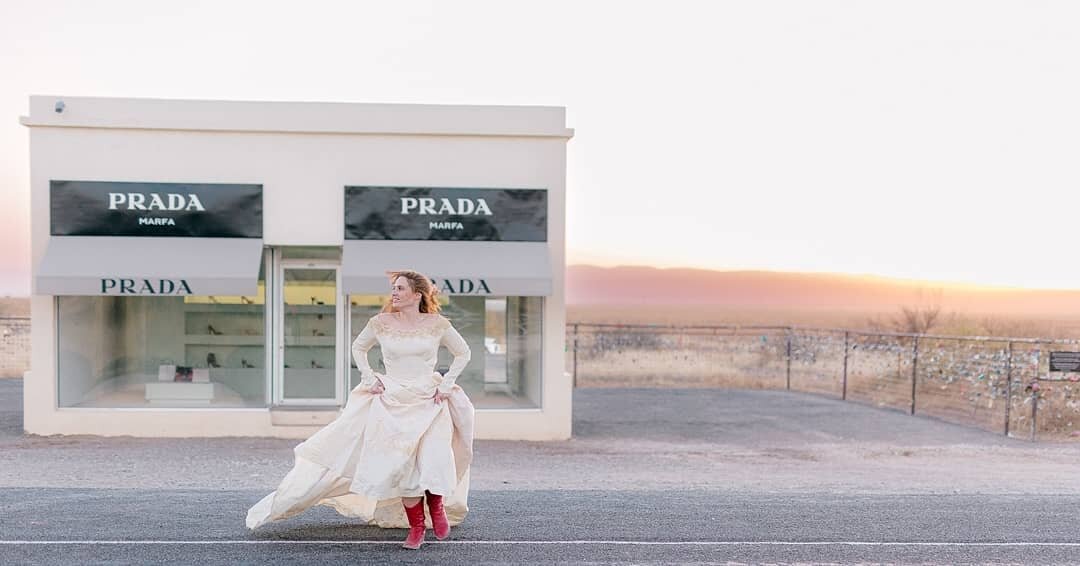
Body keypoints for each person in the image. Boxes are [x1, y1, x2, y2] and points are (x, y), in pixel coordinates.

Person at [246, 269, 475, 550]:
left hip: (430, 399)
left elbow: (463, 352)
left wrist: (447, 384)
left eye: (400, 288)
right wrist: (369, 377)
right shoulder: (380, 323)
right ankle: (416, 528)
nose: (394, 292)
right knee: (401, 467)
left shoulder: (437, 324)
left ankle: (436, 507)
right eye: (393, 287)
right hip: (392, 399)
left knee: (432, 458)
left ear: (417, 295)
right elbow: (358, 348)